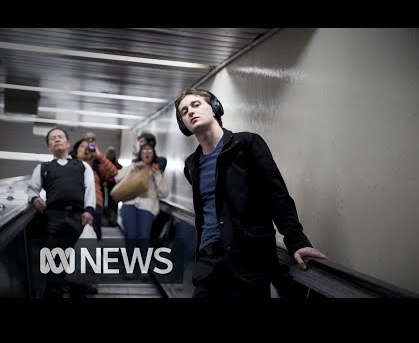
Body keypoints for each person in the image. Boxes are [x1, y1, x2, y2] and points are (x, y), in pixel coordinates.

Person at [175, 88, 327, 300]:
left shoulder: (246, 145)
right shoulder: (192, 165)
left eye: (196, 105)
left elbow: (276, 196)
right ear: (183, 124)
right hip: (208, 265)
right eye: (184, 111)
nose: (190, 111)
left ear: (215, 108)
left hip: (248, 265)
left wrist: (297, 241)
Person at [27, 127, 96, 298]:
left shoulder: (82, 166)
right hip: (53, 218)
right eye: (52, 139)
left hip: (78, 218)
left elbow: (90, 189)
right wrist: (35, 199)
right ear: (49, 147)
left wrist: (89, 210)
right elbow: (32, 189)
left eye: (60, 137)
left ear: (68, 143)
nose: (57, 140)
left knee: (78, 262)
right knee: (54, 263)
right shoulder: (43, 167)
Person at [115, 142, 170, 278]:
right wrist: (133, 167)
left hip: (147, 208)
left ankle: (144, 269)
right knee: (131, 237)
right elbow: (117, 178)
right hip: (129, 206)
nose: (147, 153)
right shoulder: (132, 167)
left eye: (150, 151)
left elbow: (164, 192)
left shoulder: (156, 170)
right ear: (140, 153)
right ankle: (129, 269)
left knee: (144, 237)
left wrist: (157, 175)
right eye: (144, 150)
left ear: (153, 154)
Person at [71, 137, 118, 241]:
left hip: (95, 204)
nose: (85, 149)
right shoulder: (69, 164)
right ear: (76, 149)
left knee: (94, 236)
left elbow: (114, 173)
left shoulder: (96, 166)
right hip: (75, 204)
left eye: (88, 147)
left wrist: (99, 155)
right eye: (82, 146)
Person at [104, 146, 123, 226]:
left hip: (114, 186)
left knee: (113, 204)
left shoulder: (118, 165)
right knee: (106, 203)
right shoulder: (103, 164)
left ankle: (112, 220)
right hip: (105, 185)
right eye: (110, 153)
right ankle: (106, 220)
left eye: (113, 153)